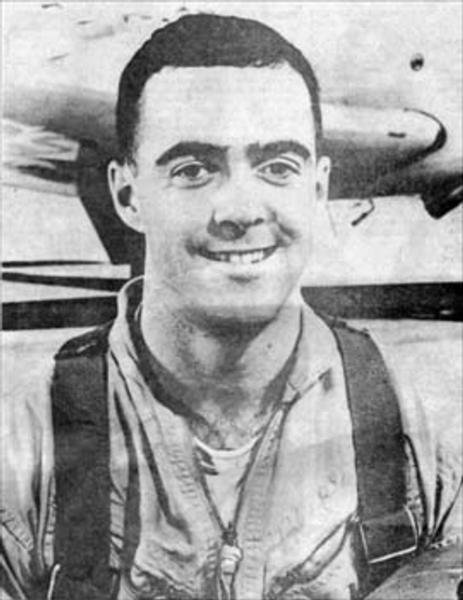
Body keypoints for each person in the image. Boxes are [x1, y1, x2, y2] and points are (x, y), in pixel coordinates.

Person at [1, 13, 461, 600]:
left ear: (318, 187)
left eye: (277, 167)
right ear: (126, 194)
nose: (240, 209)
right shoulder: (23, 451)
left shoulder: (422, 440)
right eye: (194, 169)